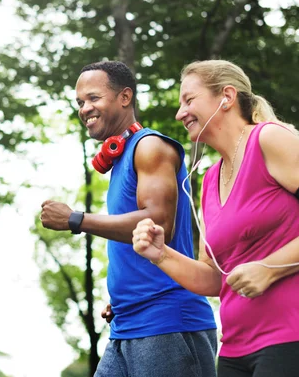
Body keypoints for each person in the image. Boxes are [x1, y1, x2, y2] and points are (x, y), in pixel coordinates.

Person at [132, 59, 299, 377]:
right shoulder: (209, 179)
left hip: (298, 336)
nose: (180, 113)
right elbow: (216, 278)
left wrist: (269, 268)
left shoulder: (271, 139)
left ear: (226, 97)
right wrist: (160, 254)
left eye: (189, 100)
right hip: (234, 349)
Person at [40, 61, 218, 377]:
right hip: (127, 323)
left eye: (93, 98)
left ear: (125, 98)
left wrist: (75, 219)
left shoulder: (149, 147)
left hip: (167, 322)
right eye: (80, 102)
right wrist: (122, 294)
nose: (85, 108)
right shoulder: (122, 158)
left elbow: (158, 223)